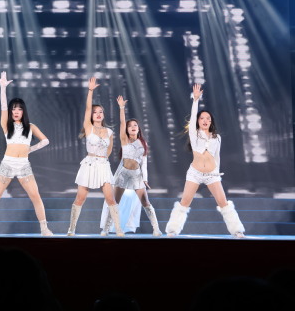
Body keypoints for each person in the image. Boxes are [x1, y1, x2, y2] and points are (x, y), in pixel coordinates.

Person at [0, 72, 53, 236]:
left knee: (36, 197)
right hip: (8, 164)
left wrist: (30, 149)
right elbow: (2, 107)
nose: (16, 111)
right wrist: (2, 88)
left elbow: (46, 141)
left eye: (19, 109)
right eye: (13, 109)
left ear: (23, 111)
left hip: (24, 165)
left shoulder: (31, 126)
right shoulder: (7, 125)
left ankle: (44, 229)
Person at [165, 84, 245, 238]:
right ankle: (172, 230)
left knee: (223, 202)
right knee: (185, 202)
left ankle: (237, 231)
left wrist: (216, 173)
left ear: (211, 122)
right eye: (202, 118)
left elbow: (217, 157)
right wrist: (195, 100)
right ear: (198, 121)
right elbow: (193, 116)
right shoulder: (194, 134)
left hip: (212, 174)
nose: (205, 120)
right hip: (195, 173)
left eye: (208, 118)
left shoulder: (217, 138)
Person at [66, 77, 124, 236]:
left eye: (100, 112)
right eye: (95, 112)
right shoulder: (88, 127)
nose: (98, 114)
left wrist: (103, 159)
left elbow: (109, 150)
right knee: (80, 198)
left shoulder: (109, 132)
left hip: (103, 165)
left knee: (111, 199)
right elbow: (87, 108)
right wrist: (90, 90)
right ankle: (71, 228)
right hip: (89, 164)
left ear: (103, 115)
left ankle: (118, 229)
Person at [101, 95, 162, 236]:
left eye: (135, 125)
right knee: (114, 202)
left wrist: (145, 179)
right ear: (127, 130)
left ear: (138, 129)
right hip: (123, 174)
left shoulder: (143, 143)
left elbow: (144, 163)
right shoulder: (124, 139)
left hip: (136, 175)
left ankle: (156, 229)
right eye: (130, 126)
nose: (132, 127)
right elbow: (122, 122)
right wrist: (121, 107)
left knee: (146, 202)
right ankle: (106, 229)